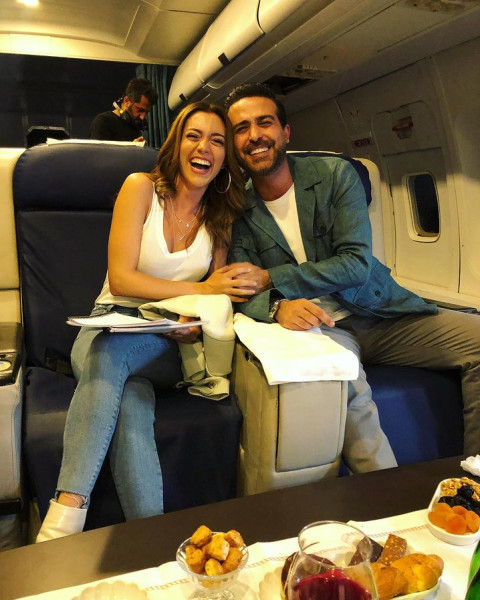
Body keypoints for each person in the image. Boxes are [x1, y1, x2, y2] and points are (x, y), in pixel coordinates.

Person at [224, 82, 480, 471]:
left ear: (285, 132)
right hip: (317, 326)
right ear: (233, 144)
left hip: (377, 310)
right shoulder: (237, 208)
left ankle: (473, 482)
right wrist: (276, 308)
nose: (254, 135)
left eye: (265, 123)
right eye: (241, 128)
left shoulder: (335, 175)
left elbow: (356, 264)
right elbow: (241, 287)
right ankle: (388, 499)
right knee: (351, 396)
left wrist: (271, 278)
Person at [36, 101, 255, 543]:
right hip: (107, 325)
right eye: (194, 136)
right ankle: (154, 541)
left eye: (217, 141)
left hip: (169, 342)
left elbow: (215, 298)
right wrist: (199, 290)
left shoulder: (220, 218)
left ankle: (60, 524)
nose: (204, 147)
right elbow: (122, 279)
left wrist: (193, 317)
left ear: (224, 160)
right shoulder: (140, 188)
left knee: (116, 359)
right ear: (176, 144)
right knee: (129, 398)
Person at [89, 77, 158, 142]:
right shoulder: (103, 121)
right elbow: (97, 151)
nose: (143, 117)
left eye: (146, 112)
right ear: (126, 101)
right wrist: (132, 148)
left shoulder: (134, 126)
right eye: (140, 110)